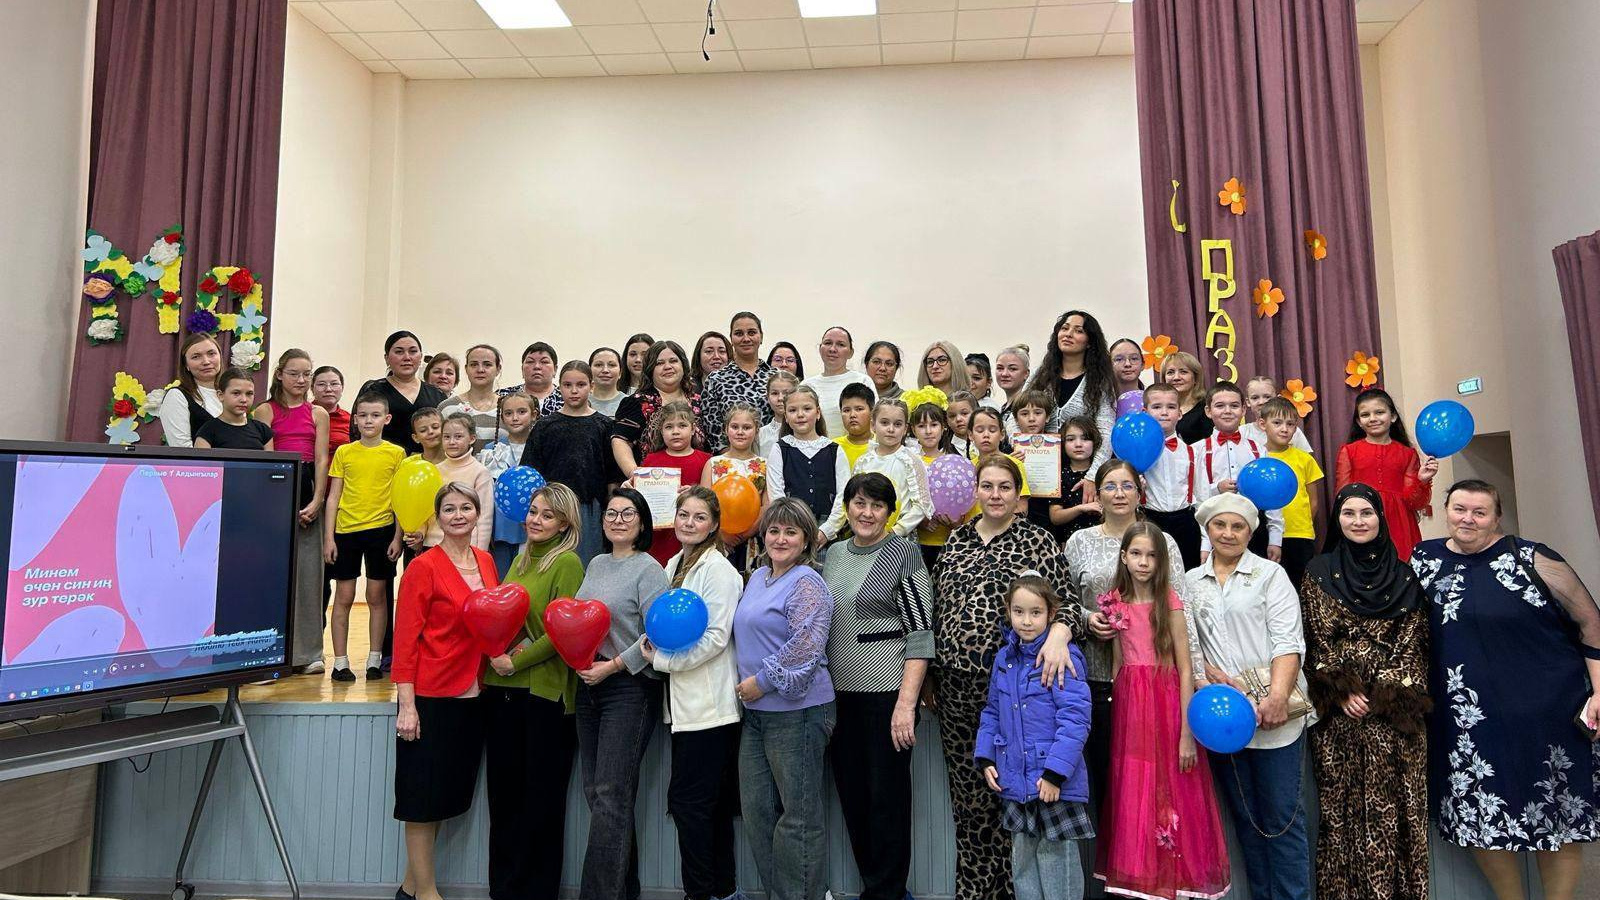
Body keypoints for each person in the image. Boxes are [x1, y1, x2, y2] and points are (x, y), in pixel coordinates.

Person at [1411, 480, 1600, 900]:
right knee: (1479, 815)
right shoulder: (1424, 560)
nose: (1468, 519)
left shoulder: (1532, 557)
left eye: (1480, 512)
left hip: (1548, 711)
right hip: (1467, 719)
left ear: (1497, 517)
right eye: (1459, 509)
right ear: (1446, 510)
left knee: (1556, 816)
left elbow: (1591, 625)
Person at [934, 453, 1084, 900]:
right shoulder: (957, 540)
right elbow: (937, 610)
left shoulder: (1036, 540)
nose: (995, 495)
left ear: (1018, 495)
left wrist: (1060, 634)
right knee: (972, 801)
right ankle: (977, 892)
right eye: (987, 486)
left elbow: (1067, 605)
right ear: (975, 491)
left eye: (1004, 487)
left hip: (1019, 693)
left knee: (1020, 802)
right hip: (958, 693)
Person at [1066, 459, 1203, 884]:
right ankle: (1126, 876)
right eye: (1110, 485)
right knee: (1118, 785)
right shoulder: (1079, 542)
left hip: (1160, 689)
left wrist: (1196, 679)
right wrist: (1089, 619)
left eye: (1127, 485)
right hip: (1102, 684)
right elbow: (1066, 603)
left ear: (1139, 490)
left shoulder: (1163, 542)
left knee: (1160, 784)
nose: (1119, 493)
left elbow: (1181, 611)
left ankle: (1161, 875)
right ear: (1098, 493)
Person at [1302, 484, 1430, 900]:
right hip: (1341, 719)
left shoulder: (1406, 576)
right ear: (1336, 519)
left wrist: (1384, 694)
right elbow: (1316, 640)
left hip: (1394, 720)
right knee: (1341, 815)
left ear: (1381, 518)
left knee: (1397, 813)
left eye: (1367, 513)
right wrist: (1341, 689)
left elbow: (1414, 645)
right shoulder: (1319, 572)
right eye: (1348, 513)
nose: (1358, 521)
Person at [1187, 493, 1316, 900]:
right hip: (1225, 719)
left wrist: (1277, 697)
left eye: (1237, 526)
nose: (1228, 533)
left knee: (1281, 822)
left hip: (1275, 716)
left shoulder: (1270, 575)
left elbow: (1288, 641)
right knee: (1248, 822)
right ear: (1207, 529)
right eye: (1220, 525)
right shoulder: (1190, 582)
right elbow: (1189, 644)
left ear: (1250, 532)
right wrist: (1203, 672)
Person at [1093, 524, 1230, 900]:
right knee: (1136, 784)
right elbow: (1119, 665)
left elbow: (1185, 669)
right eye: (1136, 554)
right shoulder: (1114, 602)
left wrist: (1187, 733)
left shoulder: (1169, 601)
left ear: (1161, 561)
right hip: (1131, 711)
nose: (1143, 562)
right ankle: (1143, 878)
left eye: (1151, 555)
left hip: (1167, 705)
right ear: (1124, 557)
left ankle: (1175, 878)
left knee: (1173, 783)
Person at [822, 473, 934, 900]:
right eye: (859, 503)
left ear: (890, 512)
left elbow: (920, 633)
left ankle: (889, 892)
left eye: (877, 505)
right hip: (839, 697)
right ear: (847, 507)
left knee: (886, 800)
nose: (867, 513)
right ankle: (876, 887)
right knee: (853, 797)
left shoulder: (902, 552)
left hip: (887, 696)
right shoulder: (834, 554)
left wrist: (906, 705)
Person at [392, 483, 495, 900]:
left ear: (476, 514)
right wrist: (407, 706)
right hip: (430, 696)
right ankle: (427, 893)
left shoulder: (486, 561)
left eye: (465, 508)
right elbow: (404, 640)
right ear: (437, 518)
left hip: (473, 693)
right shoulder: (423, 567)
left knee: (442, 796)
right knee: (420, 799)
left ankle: (409, 888)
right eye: (449, 509)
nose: (458, 516)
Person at [481, 484, 584, 900]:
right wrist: (496, 654)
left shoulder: (568, 563)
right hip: (501, 690)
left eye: (547, 515)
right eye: (533, 511)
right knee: (503, 801)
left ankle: (536, 892)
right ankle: (503, 891)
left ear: (565, 524)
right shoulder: (520, 559)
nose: (535, 520)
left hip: (544, 696)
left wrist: (516, 662)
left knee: (541, 804)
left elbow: (563, 632)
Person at [644, 488, 746, 900]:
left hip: (711, 708)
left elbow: (716, 638)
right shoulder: (673, 564)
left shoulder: (719, 570)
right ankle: (723, 892)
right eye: (683, 514)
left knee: (691, 805)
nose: (689, 523)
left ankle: (701, 893)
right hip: (685, 707)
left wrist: (661, 661)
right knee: (709, 806)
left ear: (715, 524)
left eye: (699, 517)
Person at [734, 498, 836, 900]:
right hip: (755, 714)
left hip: (799, 713)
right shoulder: (758, 577)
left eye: (791, 532)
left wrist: (761, 681)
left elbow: (806, 647)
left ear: (807, 539)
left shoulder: (808, 581)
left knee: (798, 819)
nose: (780, 539)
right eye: (774, 530)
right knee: (758, 815)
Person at [573, 488, 670, 900]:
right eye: (611, 513)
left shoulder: (650, 569)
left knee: (610, 795)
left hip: (630, 687)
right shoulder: (596, 563)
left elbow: (656, 635)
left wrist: (612, 665)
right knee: (598, 794)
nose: (617, 520)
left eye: (627, 513)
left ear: (642, 522)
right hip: (589, 686)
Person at [976, 574, 1094, 900]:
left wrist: (1056, 774)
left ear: (1051, 613)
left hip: (1052, 782)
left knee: (1058, 864)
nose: (1026, 621)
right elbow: (992, 710)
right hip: (1015, 779)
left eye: (1035, 612)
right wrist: (986, 756)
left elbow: (1075, 720)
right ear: (1008, 611)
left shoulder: (1063, 656)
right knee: (1023, 863)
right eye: (1019, 612)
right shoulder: (1004, 659)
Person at [253, 348, 331, 672]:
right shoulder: (264, 411)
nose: (301, 380)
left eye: (306, 374)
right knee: (273, 574)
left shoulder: (318, 413)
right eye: (294, 374)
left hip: (309, 488)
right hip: (277, 489)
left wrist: (317, 501)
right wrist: (277, 504)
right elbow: (267, 458)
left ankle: (309, 654)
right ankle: (270, 649)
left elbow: (323, 459)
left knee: (309, 576)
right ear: (279, 375)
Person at [324, 393, 405, 682]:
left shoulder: (396, 454)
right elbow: (333, 497)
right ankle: (340, 662)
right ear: (355, 419)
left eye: (375, 415)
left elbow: (400, 498)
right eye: (363, 415)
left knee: (376, 596)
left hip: (382, 531)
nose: (368, 421)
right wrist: (329, 538)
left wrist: (398, 536)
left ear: (387, 419)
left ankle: (374, 660)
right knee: (344, 596)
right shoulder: (344, 452)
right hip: (346, 532)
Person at [525, 361, 616, 563]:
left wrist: (608, 510)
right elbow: (531, 472)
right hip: (551, 508)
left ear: (591, 386)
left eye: (581, 385)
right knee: (551, 562)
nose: (574, 391)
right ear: (560, 387)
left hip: (590, 510)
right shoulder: (545, 426)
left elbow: (612, 475)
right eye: (567, 385)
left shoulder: (604, 425)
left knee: (586, 563)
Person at [1334, 388, 1438, 561]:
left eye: (1379, 412)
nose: (1373, 418)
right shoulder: (1349, 451)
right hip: (1362, 520)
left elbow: (1415, 502)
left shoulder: (1408, 453)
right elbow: (1342, 496)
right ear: (1359, 422)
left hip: (1400, 523)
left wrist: (1422, 481)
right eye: (1365, 415)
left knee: (1400, 567)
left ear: (1393, 416)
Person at [1190, 381, 1284, 561]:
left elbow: (1271, 495)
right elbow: (1194, 498)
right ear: (1208, 411)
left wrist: (1275, 539)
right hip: (1213, 530)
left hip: (1253, 529)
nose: (1227, 411)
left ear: (1243, 410)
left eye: (1234, 406)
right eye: (1220, 406)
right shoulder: (1197, 450)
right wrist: (1216, 488)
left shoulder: (1258, 450)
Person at [822, 397, 930, 542]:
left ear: (905, 429)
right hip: (865, 535)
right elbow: (852, 498)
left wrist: (896, 530)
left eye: (897, 424)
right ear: (873, 425)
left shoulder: (911, 461)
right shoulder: (864, 462)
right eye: (884, 423)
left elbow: (922, 504)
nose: (891, 429)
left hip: (899, 539)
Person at [1025, 310, 1115, 466]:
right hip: (1038, 467)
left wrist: (1093, 474)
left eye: (1078, 331)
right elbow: (1014, 415)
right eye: (1064, 328)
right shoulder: (1040, 375)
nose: (1068, 334)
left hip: (1081, 470)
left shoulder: (1100, 381)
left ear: (1089, 342)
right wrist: (1017, 443)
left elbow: (1106, 432)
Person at [611, 340, 706, 478]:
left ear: (683, 366)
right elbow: (621, 441)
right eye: (659, 363)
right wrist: (635, 475)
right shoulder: (636, 402)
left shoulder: (700, 400)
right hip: (652, 482)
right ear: (650, 369)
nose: (667, 367)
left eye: (673, 361)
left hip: (697, 480)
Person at [636, 401, 713, 568]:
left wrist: (695, 494)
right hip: (659, 537)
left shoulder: (706, 460)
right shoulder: (651, 461)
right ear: (661, 431)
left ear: (693, 429)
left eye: (682, 426)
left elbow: (712, 502)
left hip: (693, 535)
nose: (675, 431)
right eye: (669, 427)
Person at [766, 384, 850, 531]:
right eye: (792, 410)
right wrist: (793, 529)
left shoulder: (834, 450)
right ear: (786, 417)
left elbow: (843, 495)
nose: (800, 415)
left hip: (827, 527)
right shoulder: (780, 449)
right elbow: (776, 495)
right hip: (790, 525)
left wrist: (827, 531)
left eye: (807, 409)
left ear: (818, 413)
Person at [1258, 397, 1323, 587]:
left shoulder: (1305, 459)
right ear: (1263, 424)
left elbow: (1313, 501)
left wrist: (1303, 525)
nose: (1284, 429)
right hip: (1266, 534)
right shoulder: (1257, 457)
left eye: (1290, 424)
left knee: (1299, 584)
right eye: (1277, 423)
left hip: (1299, 534)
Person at [1139, 383, 1202, 570]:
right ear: (1145, 412)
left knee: (1188, 571)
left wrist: (1206, 542)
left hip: (1186, 521)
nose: (1164, 412)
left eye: (1171, 407)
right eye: (1157, 407)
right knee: (1153, 571)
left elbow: (1201, 496)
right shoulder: (1137, 450)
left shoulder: (1192, 451)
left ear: (1180, 413)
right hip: (1150, 519)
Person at [409, 413, 494, 551]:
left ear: (472, 438)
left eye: (458, 436)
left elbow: (484, 518)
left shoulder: (480, 472)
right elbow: (426, 509)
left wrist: (480, 554)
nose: (452, 442)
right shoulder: (434, 470)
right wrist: (420, 532)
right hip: (433, 545)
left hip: (466, 547)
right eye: (447, 437)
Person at [353, 331, 448, 453]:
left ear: (420, 357)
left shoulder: (437, 394)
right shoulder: (372, 390)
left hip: (427, 462)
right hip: (382, 460)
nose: (407, 357)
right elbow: (356, 432)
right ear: (387, 358)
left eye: (413, 351)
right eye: (399, 352)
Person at [702, 401, 768, 572]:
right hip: (718, 540)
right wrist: (721, 533)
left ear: (757, 431)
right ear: (726, 429)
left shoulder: (764, 465)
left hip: (752, 541)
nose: (740, 432)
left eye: (747, 427)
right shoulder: (713, 463)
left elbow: (766, 505)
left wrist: (747, 533)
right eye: (734, 427)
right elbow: (704, 505)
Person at [478, 392, 536, 577]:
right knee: (501, 578)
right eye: (509, 413)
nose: (515, 418)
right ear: (502, 417)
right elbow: (485, 492)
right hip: (500, 528)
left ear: (533, 414)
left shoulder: (541, 447)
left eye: (521, 412)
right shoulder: (491, 451)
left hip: (534, 527)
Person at [702, 311, 775, 451]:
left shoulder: (776, 377)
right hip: (732, 459)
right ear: (731, 339)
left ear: (761, 337)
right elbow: (713, 429)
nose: (746, 338)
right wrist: (734, 459)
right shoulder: (715, 379)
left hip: (774, 457)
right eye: (739, 333)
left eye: (752, 332)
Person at [803, 326, 873, 437]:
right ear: (820, 348)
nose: (832, 349)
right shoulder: (807, 385)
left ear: (851, 352)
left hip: (855, 446)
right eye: (828, 343)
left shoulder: (862, 380)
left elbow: (875, 420)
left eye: (841, 344)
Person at [158, 332, 224, 447]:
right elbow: (181, 449)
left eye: (211, 354)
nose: (206, 361)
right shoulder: (177, 396)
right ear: (186, 365)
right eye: (196, 357)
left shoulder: (231, 394)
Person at [1044, 415, 1102, 546]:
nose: (1078, 444)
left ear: (1095, 442)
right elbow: (1055, 517)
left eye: (1085, 438)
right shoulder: (1058, 475)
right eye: (1070, 439)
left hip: (1102, 541)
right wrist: (1081, 508)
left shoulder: (1104, 474)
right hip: (1071, 544)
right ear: (1063, 444)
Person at [438, 344, 504, 451]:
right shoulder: (446, 407)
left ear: (498, 369)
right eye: (474, 365)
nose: (480, 370)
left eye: (487, 364)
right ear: (466, 369)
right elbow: (438, 449)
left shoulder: (508, 409)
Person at [193, 368, 274, 451]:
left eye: (249, 394)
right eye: (236, 393)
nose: (244, 399)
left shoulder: (263, 431)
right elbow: (201, 459)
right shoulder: (207, 431)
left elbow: (269, 459)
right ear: (220, 395)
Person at [1240, 376, 1314, 454]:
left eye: (1267, 397)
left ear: (1277, 398)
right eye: (1255, 398)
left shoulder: (1290, 431)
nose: (1261, 402)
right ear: (1248, 402)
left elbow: (1306, 458)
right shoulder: (1242, 432)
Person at [498, 341, 561, 416]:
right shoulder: (502, 396)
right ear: (522, 369)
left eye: (544, 362)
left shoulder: (566, 398)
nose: (537, 366)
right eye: (530, 362)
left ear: (555, 369)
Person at [1160, 352, 1211, 445]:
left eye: (1183, 372)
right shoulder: (1157, 409)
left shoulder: (1207, 409)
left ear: (1196, 378)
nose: (1176, 377)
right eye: (1170, 372)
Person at [834, 382, 877, 469]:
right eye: (846, 410)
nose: (852, 415)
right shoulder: (833, 448)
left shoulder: (882, 445)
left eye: (859, 409)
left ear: (872, 412)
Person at [757, 369, 798, 459]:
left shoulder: (806, 430)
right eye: (775, 393)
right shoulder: (760, 435)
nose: (780, 398)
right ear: (767, 397)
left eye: (786, 393)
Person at [313, 365, 351, 456]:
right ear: (312, 388)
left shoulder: (350, 420)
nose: (328, 389)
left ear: (342, 388)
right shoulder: (302, 415)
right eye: (321, 384)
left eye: (334, 384)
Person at [994, 345, 1032, 429]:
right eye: (1000, 368)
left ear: (1026, 374)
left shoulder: (1028, 406)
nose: (1004, 374)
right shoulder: (1003, 408)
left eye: (1013, 369)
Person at [588, 346, 626, 417]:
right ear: (589, 371)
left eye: (611, 365)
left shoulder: (630, 403)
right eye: (598, 365)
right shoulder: (580, 402)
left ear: (620, 373)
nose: (605, 370)